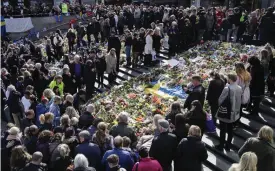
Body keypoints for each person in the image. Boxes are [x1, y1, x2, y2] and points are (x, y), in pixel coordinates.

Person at [215, 74, 242, 151]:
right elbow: (239, 101)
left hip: (225, 112)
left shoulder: (227, 88)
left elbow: (220, 100)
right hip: (234, 112)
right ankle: (228, 146)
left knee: (223, 130)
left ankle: (221, 145)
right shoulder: (239, 88)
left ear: (230, 79)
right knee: (230, 130)